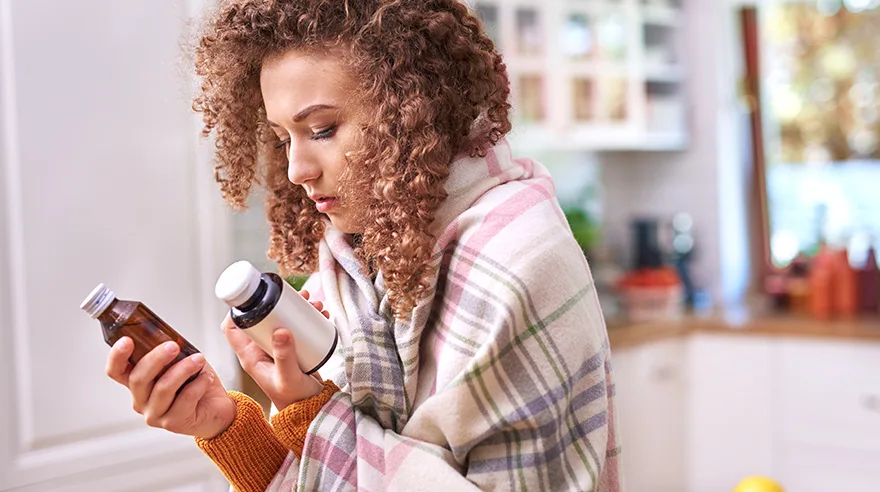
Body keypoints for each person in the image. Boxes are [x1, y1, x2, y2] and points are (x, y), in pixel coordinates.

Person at [104, 0, 622, 490]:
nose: (295, 170)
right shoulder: (354, 263)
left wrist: (314, 413)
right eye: (284, 138)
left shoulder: (519, 259)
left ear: (415, 108)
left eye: (322, 129)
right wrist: (222, 426)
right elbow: (328, 470)